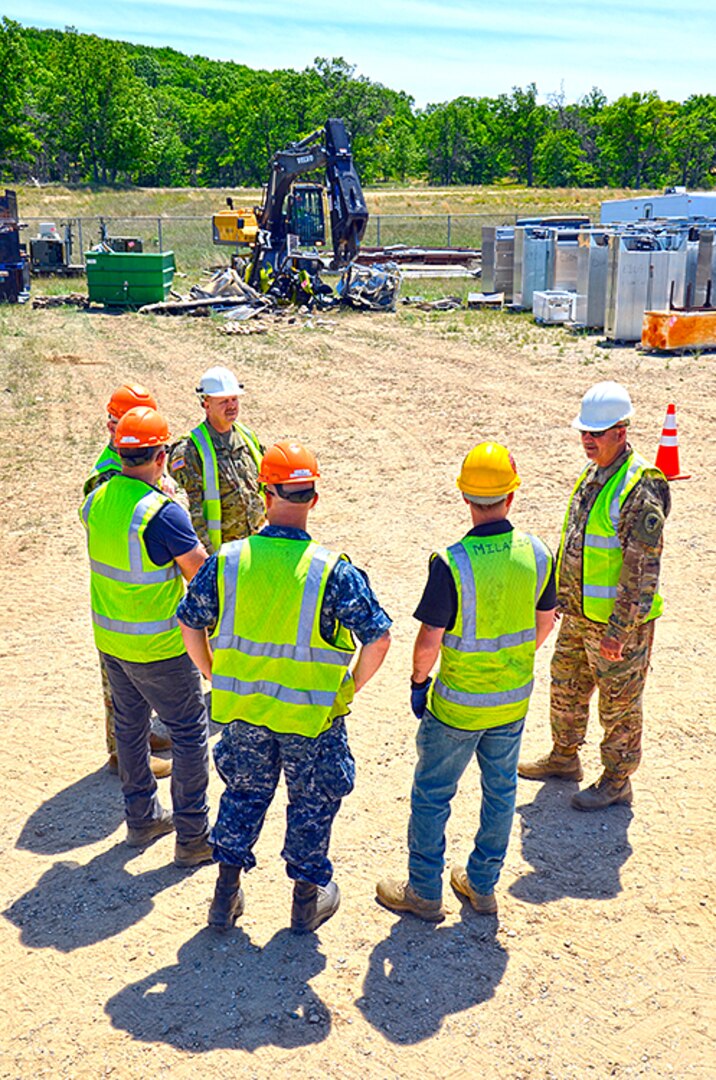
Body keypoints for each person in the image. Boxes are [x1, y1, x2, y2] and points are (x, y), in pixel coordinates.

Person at [178, 440, 392, 933]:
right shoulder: (332, 571)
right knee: (313, 802)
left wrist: (211, 669)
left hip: (245, 712)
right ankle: (305, 903)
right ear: (313, 498)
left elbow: (190, 619)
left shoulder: (228, 561)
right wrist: (348, 688)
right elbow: (378, 638)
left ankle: (224, 899)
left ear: (263, 491)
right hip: (311, 720)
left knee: (244, 795)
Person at [377, 442, 556, 921]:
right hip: (511, 704)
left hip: (456, 706)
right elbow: (545, 620)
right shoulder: (537, 553)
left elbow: (429, 641)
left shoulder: (452, 563)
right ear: (512, 497)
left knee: (433, 795)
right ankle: (482, 886)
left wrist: (419, 683)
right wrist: (511, 663)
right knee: (500, 792)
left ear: (465, 498)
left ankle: (423, 892)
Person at [519, 382, 671, 810]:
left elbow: (641, 569)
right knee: (566, 688)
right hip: (580, 615)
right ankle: (564, 758)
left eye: (597, 433)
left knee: (618, 706)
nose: (587, 440)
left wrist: (620, 630)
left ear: (621, 432)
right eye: (584, 432)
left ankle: (617, 780)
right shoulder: (595, 473)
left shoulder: (641, 486)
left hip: (618, 625)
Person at [80, 406, 213, 867]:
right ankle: (194, 836)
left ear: (119, 452)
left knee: (130, 728)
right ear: (161, 456)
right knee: (190, 733)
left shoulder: (96, 500)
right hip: (159, 647)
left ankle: (141, 820)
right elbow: (200, 572)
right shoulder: (161, 513)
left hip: (112, 643)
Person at [84, 383, 173, 779]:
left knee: (137, 680)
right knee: (117, 682)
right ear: (110, 425)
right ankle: (123, 752)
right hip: (118, 597)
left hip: (138, 592)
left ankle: (140, 736)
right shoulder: (105, 474)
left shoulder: (132, 460)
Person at [168, 365, 265, 555]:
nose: (231, 406)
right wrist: (207, 560)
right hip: (220, 555)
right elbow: (191, 511)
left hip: (255, 549)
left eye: (234, 399)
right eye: (223, 401)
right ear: (206, 404)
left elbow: (264, 487)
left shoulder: (247, 436)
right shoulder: (190, 450)